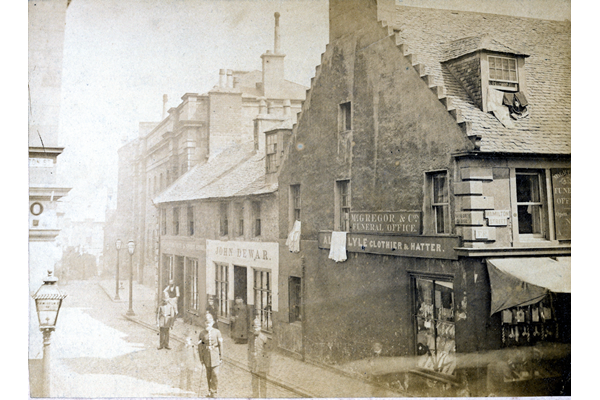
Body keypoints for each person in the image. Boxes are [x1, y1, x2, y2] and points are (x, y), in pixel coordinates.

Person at [198, 312, 223, 397]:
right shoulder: (202, 334)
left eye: (209, 323)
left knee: (215, 374)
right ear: (204, 323)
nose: (208, 324)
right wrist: (201, 358)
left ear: (212, 323)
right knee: (208, 375)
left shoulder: (217, 332)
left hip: (215, 355)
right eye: (206, 323)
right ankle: (210, 390)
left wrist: (221, 356)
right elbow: (200, 347)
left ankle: (214, 391)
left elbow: (221, 345)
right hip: (206, 357)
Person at [248, 317, 272, 398]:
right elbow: (249, 351)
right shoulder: (251, 338)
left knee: (263, 384)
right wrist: (250, 364)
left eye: (257, 327)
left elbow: (268, 354)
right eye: (254, 327)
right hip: (254, 365)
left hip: (262, 365)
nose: (256, 329)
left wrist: (266, 367)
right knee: (254, 383)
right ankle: (255, 397)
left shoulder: (264, 339)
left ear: (260, 328)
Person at [178, 328, 200, 393]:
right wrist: (179, 362)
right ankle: (181, 386)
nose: (186, 341)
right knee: (182, 375)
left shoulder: (193, 347)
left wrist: (196, 366)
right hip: (183, 363)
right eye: (185, 340)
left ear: (190, 340)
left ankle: (189, 387)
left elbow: (196, 357)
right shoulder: (181, 345)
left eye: (188, 340)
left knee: (190, 377)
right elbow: (178, 354)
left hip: (191, 364)